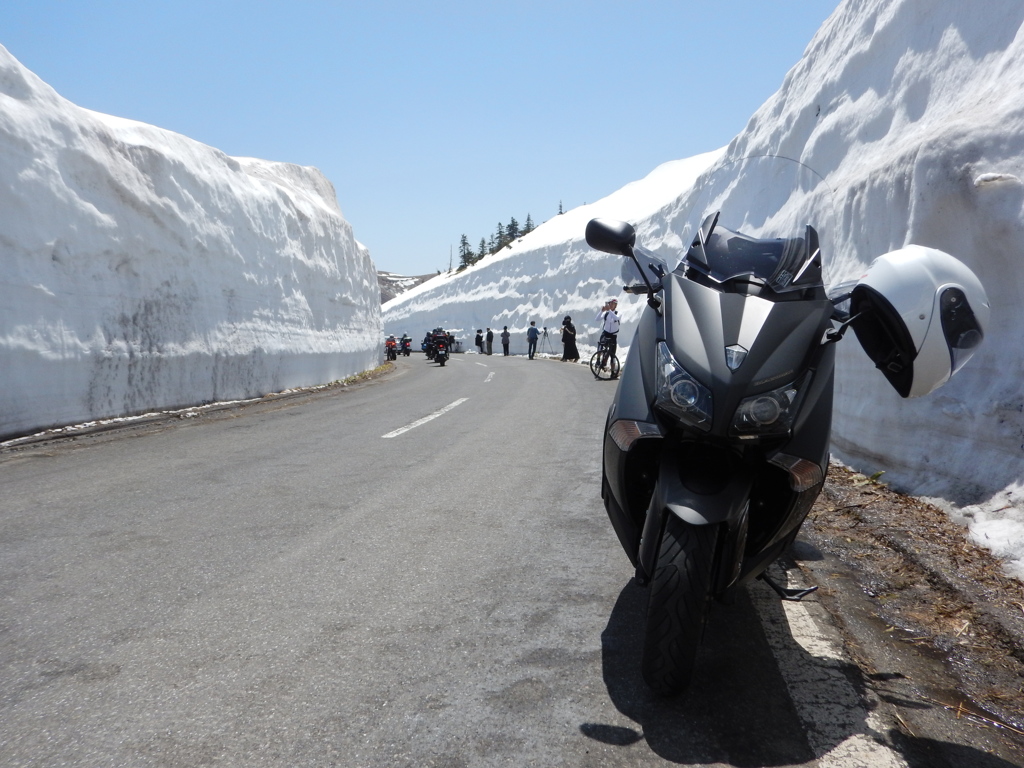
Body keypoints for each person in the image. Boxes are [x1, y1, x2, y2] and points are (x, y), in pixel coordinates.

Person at [595, 299, 620, 377]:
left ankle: (613, 372)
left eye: (613, 304)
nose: (611, 305)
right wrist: (601, 311)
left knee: (612, 353)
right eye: (610, 303)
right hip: (605, 333)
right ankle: (598, 360)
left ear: (616, 305)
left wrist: (609, 311)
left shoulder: (618, 313)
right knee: (600, 345)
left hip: (613, 335)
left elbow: (616, 318)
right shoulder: (606, 313)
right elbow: (597, 319)